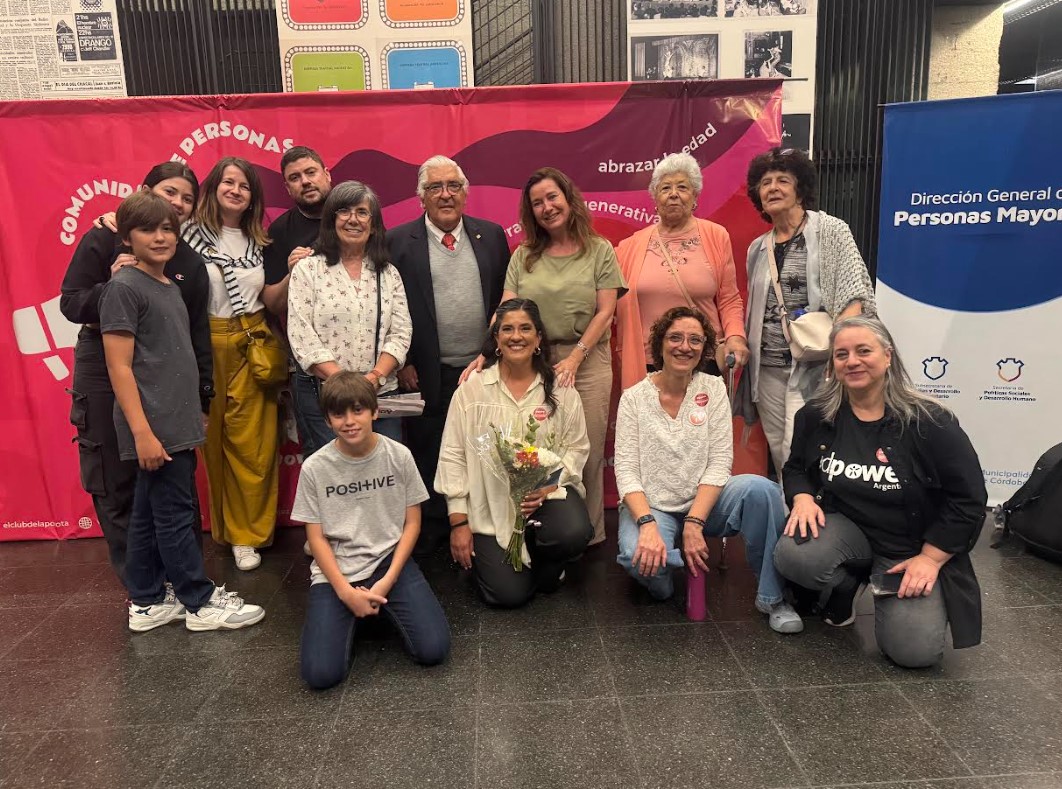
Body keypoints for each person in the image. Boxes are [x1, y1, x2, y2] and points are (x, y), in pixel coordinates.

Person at [774, 317, 986, 667]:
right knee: (795, 555)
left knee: (914, 653)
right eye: (841, 354)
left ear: (887, 356)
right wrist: (802, 498)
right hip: (848, 533)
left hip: (909, 547)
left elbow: (969, 498)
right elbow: (796, 467)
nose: (852, 361)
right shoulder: (816, 415)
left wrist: (931, 559)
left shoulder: (930, 422)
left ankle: (887, 585)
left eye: (863, 351)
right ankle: (849, 580)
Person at [100, 191, 264, 632]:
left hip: (176, 421)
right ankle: (198, 600)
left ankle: (148, 600)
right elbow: (119, 367)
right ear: (126, 238)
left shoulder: (168, 285)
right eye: (147, 230)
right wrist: (142, 433)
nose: (159, 237)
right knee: (174, 514)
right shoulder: (123, 288)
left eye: (167, 229)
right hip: (155, 427)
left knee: (148, 513)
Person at [60, 162, 213, 584]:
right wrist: (112, 286)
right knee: (117, 476)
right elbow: (71, 302)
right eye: (169, 191)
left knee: (172, 477)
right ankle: (143, 588)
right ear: (143, 191)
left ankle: (183, 581)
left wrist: (203, 395)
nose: (177, 203)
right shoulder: (104, 238)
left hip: (164, 375)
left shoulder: (187, 264)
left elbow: (195, 333)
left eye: (187, 199)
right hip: (105, 366)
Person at [615, 306, 803, 633]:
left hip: (708, 503)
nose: (684, 347)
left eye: (695, 340)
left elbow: (719, 463)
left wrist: (694, 522)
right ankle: (662, 575)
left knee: (762, 490)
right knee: (636, 555)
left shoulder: (713, 389)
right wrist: (646, 523)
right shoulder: (633, 398)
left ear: (704, 348)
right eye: (675, 337)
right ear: (659, 343)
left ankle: (772, 597)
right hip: (654, 506)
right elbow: (627, 470)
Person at [466, 168, 626, 546]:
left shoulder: (599, 249)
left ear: (568, 199)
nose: (547, 207)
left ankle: (587, 537)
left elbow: (606, 311)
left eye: (552, 197)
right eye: (537, 203)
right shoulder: (524, 255)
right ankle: (543, 536)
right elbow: (506, 309)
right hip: (533, 358)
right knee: (539, 448)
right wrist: (487, 352)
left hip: (587, 360)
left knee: (584, 453)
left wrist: (575, 359)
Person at [295, 371, 450, 690]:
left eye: (358, 410)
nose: (349, 421)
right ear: (327, 420)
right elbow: (316, 538)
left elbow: (412, 523)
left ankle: (376, 606)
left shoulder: (398, 455)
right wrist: (345, 592)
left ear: (375, 411)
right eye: (339, 414)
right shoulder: (314, 468)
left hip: (389, 562)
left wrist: (389, 579)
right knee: (320, 675)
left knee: (434, 649)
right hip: (338, 570)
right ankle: (360, 610)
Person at [388, 155, 510, 552]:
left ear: (465, 193)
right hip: (426, 371)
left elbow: (504, 300)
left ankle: (482, 525)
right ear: (421, 196)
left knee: (484, 446)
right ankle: (436, 535)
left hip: (482, 368)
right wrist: (404, 361)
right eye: (435, 187)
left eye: (453, 186)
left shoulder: (492, 235)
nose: (445, 195)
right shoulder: (396, 242)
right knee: (430, 450)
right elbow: (388, 306)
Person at [437, 299, 593, 608]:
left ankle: (545, 565)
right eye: (507, 329)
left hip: (544, 498)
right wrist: (458, 523)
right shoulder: (472, 389)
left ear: (538, 338)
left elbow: (577, 448)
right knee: (508, 596)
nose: (516, 336)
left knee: (572, 533)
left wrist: (546, 487)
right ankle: (507, 567)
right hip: (491, 507)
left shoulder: (561, 389)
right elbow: (452, 455)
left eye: (525, 328)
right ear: (496, 338)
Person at [737, 147, 876, 475]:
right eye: (766, 183)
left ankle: (814, 506)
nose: (773, 188)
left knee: (807, 448)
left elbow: (852, 296)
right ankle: (791, 506)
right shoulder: (757, 249)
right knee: (779, 451)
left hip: (817, 365)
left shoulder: (831, 231)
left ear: (800, 189)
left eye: (782, 180)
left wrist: (840, 355)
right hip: (768, 369)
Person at [183, 156, 279, 572]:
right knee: (212, 443)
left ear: (253, 196)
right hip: (203, 343)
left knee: (253, 446)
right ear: (213, 187)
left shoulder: (261, 241)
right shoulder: (186, 234)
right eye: (228, 182)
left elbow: (270, 297)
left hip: (251, 340)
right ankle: (223, 529)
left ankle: (247, 536)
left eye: (244, 185)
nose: (236, 190)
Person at [287, 180, 411, 455]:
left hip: (380, 393)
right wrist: (346, 384)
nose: (353, 219)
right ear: (332, 220)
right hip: (325, 395)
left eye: (362, 212)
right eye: (344, 211)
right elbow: (301, 335)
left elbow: (401, 333)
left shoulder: (388, 273)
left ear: (373, 224)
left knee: (386, 469)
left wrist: (374, 378)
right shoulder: (308, 269)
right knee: (334, 472)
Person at [615, 152, 748, 391]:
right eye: (665, 188)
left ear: (695, 196)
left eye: (682, 187)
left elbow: (729, 299)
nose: (674, 194)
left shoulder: (716, 236)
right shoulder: (629, 247)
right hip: (648, 362)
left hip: (702, 358)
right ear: (655, 198)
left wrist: (736, 337)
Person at [261, 145, 333, 318]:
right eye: (295, 177)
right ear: (287, 187)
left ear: (327, 175)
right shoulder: (279, 230)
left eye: (311, 172)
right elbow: (272, 305)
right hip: (309, 331)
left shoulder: (357, 215)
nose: (305, 181)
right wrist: (294, 273)